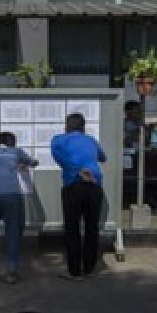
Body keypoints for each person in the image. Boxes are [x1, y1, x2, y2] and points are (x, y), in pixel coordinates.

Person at [51, 113, 107, 281]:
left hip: (73, 186)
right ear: (83, 127)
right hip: (94, 186)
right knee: (92, 227)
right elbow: (103, 157)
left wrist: (78, 170)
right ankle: (89, 269)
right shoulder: (91, 140)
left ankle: (74, 272)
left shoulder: (58, 140)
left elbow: (60, 158)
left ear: (67, 126)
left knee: (72, 229)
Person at [0, 132, 36, 283]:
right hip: (11, 196)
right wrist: (27, 163)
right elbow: (32, 162)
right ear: (11, 143)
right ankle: (11, 272)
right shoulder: (15, 152)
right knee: (13, 232)